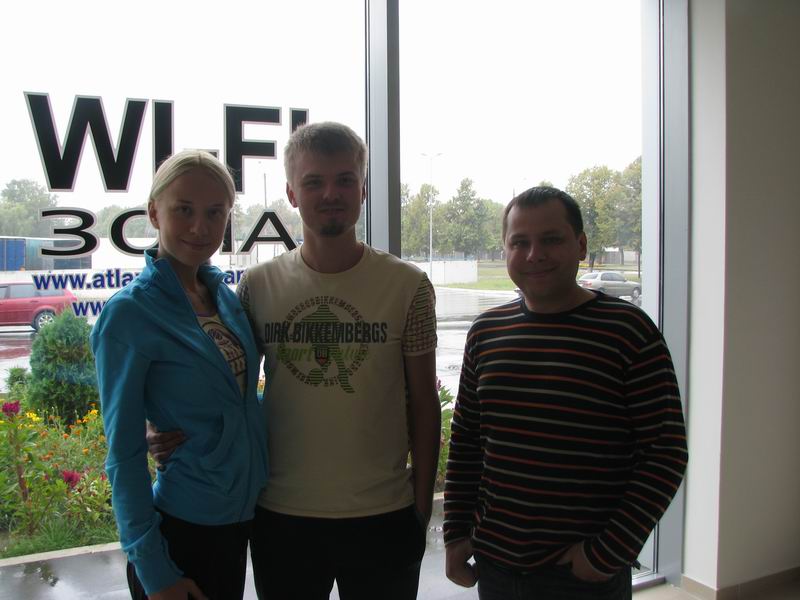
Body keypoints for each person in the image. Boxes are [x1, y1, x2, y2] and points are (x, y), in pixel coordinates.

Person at [150, 122, 440, 600]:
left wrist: (421, 509)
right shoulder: (256, 287)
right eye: (313, 181)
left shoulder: (408, 286)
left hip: (384, 513)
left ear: (363, 188)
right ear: (291, 192)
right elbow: (224, 383)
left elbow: (425, 404)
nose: (331, 193)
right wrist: (159, 425)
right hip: (281, 515)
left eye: (345, 180)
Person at [443, 186, 688, 600]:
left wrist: (606, 553)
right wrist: (455, 534)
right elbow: (467, 443)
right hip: (496, 565)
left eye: (551, 239)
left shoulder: (628, 332)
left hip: (582, 574)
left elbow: (666, 453)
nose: (534, 254)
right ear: (505, 250)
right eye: (519, 242)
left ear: (581, 245)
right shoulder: (486, 333)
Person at [91, 150, 268, 600]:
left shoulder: (224, 299)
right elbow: (124, 455)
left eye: (214, 212)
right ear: (154, 212)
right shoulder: (129, 314)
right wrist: (155, 572)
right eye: (184, 210)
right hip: (183, 531)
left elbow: (238, 399)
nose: (199, 227)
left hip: (237, 523)